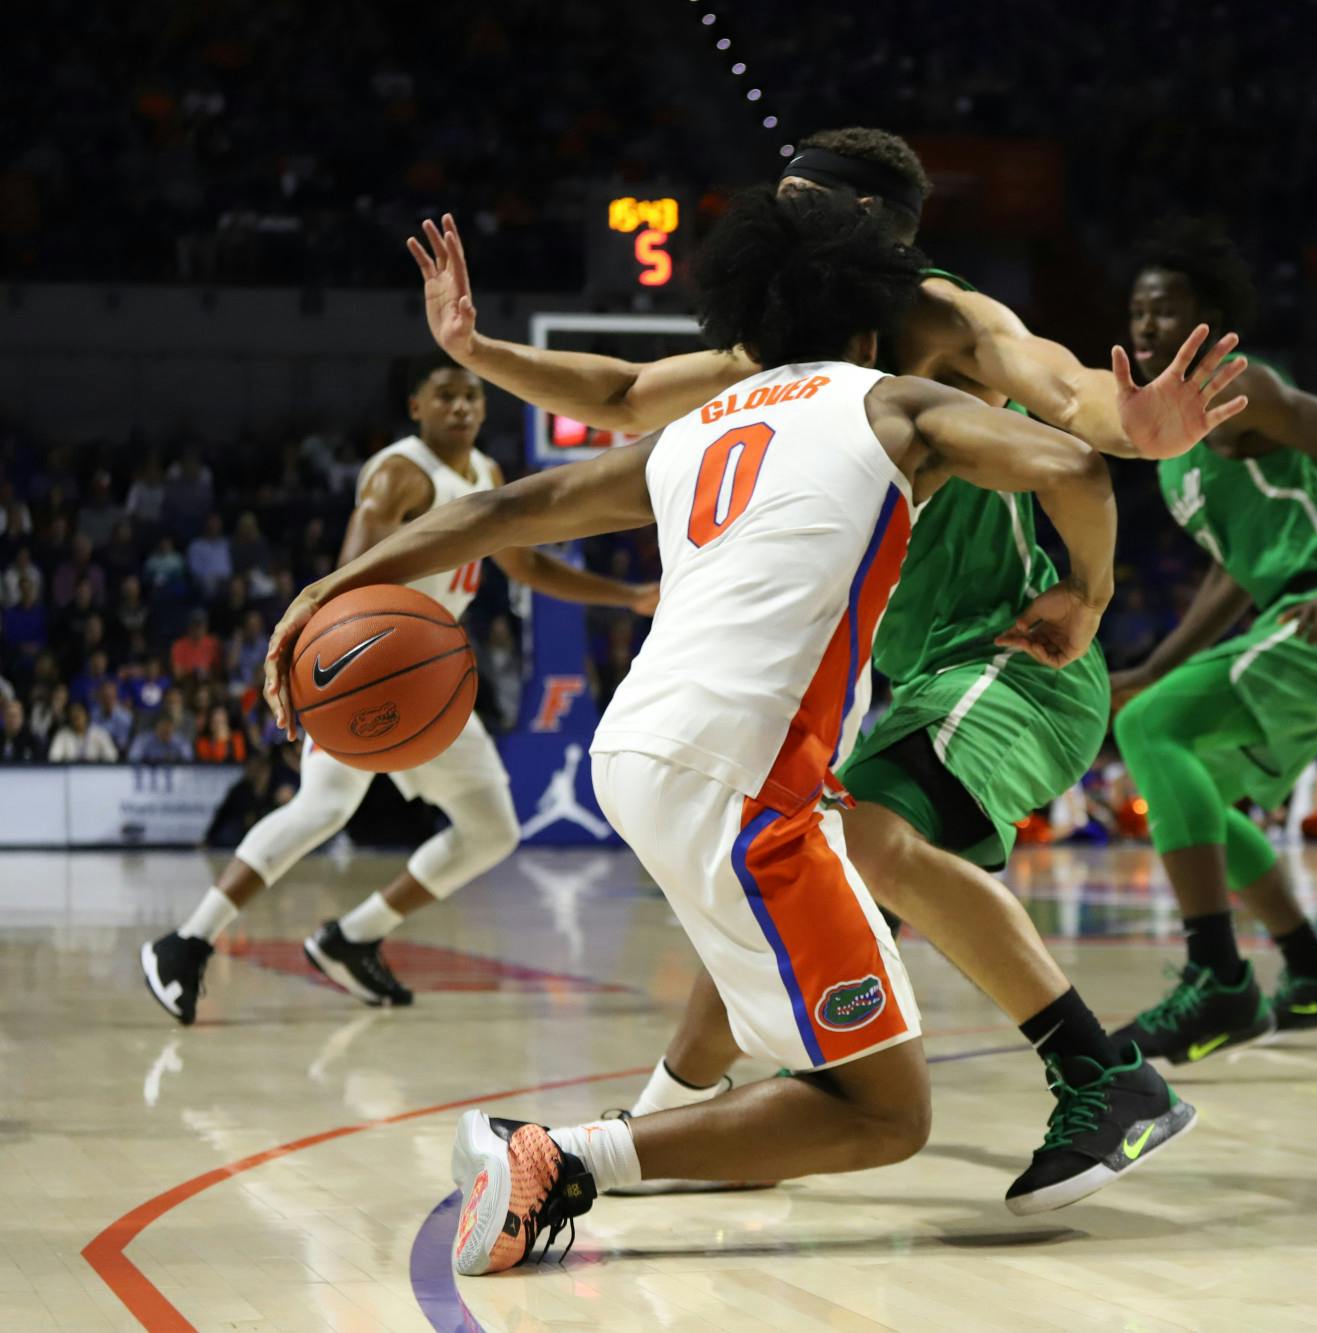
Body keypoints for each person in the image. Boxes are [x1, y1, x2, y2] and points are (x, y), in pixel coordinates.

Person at [270, 187, 1191, 1274]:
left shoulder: (701, 427)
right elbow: (1074, 461)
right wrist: (1088, 594)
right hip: (747, 774)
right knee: (884, 1112)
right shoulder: (893, 403)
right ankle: (556, 1158)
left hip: (634, 758)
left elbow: (502, 511)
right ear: (869, 326)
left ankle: (659, 1121)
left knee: (815, 955)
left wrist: (327, 587)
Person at [140, 360, 659, 1023]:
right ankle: (185, 941)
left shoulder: (488, 474)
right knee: (323, 807)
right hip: (369, 666)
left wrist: (628, 596)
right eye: (446, 395)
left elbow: (525, 564)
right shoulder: (399, 474)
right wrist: (315, 670)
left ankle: (351, 937)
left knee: (491, 829)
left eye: (472, 395)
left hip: (431, 681)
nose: (462, 406)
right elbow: (348, 580)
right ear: (416, 407)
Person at [1107, 220, 1317, 1062]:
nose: (1148, 324)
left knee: (1148, 729)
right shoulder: (1172, 447)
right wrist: (1154, 666)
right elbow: (1233, 572)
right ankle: (1316, 975)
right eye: (1138, 310)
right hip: (1296, 621)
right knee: (1191, 791)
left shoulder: (1240, 387)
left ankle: (1219, 981)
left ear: (1207, 317)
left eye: (1166, 308)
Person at [47, 700, 119, 763]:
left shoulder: (100, 733)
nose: (76, 716)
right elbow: (53, 757)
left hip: (95, 772)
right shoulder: (62, 735)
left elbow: (112, 756)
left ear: (86, 715)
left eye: (79, 713)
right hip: (70, 772)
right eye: (73, 715)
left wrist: (97, 762)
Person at [0, 698, 39, 763]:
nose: (12, 720)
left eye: (15, 716)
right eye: (9, 715)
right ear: (3, 717)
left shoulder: (31, 740)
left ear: (22, 718)